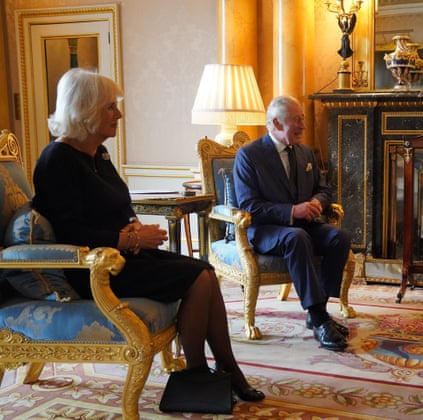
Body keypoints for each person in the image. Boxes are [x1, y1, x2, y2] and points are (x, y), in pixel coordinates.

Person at [31, 68, 264, 404]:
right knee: (197, 278)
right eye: (110, 107)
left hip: (125, 255)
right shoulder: (56, 159)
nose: (119, 114)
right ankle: (198, 374)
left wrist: (134, 228)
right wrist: (127, 239)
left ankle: (226, 369)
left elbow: (120, 204)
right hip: (94, 270)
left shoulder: (98, 153)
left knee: (207, 273)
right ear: (84, 110)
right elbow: (68, 231)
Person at [233, 95, 352, 352]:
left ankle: (318, 308)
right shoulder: (249, 155)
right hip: (266, 230)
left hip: (303, 226)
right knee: (296, 237)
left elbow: (324, 189)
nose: (303, 126)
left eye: (302, 120)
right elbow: (249, 205)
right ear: (276, 123)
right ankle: (320, 318)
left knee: (338, 238)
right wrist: (292, 211)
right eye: (297, 120)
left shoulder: (305, 152)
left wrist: (317, 203)